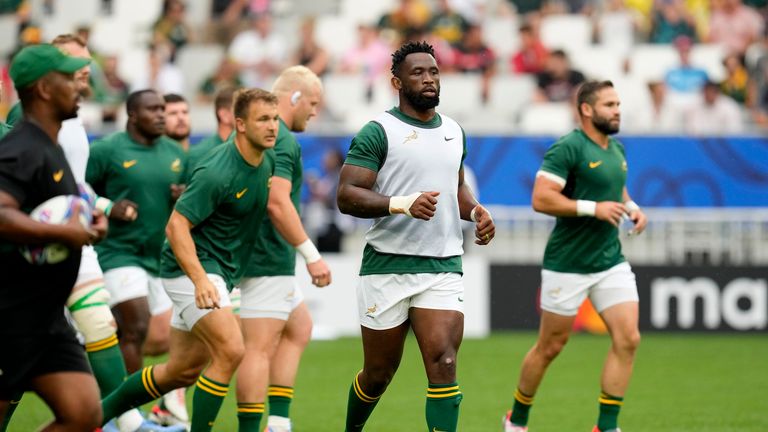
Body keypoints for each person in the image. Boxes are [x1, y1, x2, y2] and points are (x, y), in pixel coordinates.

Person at [337, 41, 495, 432]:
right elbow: (347, 195)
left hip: (442, 265)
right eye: (418, 73)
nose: (428, 79)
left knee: (443, 362)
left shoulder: (455, 132)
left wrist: (475, 211)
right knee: (378, 374)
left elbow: (455, 188)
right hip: (387, 265)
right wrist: (399, 204)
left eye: (434, 72)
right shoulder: (379, 132)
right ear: (396, 81)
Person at [99, 87, 279, 432]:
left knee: (181, 370)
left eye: (274, 119)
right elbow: (176, 226)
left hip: (218, 272)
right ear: (239, 124)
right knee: (231, 350)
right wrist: (199, 280)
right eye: (263, 119)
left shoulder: (265, 160)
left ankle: (93, 418)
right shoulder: (218, 171)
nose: (272, 127)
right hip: (191, 269)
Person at [502, 80, 647, 432]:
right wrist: (591, 208)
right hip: (567, 264)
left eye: (618, 104)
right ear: (587, 109)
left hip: (610, 260)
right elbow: (541, 198)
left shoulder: (617, 150)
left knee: (628, 338)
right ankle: (516, 420)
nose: (617, 110)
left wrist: (631, 206)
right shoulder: (567, 148)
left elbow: (616, 186)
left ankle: (606, 427)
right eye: (610, 104)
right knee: (551, 346)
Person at [0, 43, 106, 431]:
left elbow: (53, 206)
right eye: (70, 78)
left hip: (46, 315)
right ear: (44, 88)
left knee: (84, 414)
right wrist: (65, 231)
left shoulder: (51, 146)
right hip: (14, 314)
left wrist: (89, 216)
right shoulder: (22, 148)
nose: (82, 86)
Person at [235, 65, 331, 432]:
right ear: (294, 98)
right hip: (266, 256)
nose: (314, 111)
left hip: (259, 251)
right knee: (257, 347)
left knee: (299, 327)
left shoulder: (264, 136)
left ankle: (277, 423)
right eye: (312, 103)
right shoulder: (285, 140)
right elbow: (277, 201)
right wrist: (311, 254)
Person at [86, 90, 188, 424]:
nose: (161, 115)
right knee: (136, 325)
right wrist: (107, 207)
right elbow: (76, 189)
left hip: (158, 257)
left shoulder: (175, 153)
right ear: (132, 115)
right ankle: (126, 416)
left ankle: (100, 383)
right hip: (117, 252)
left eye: (163, 109)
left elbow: (186, 200)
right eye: (153, 109)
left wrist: (182, 196)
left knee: (159, 338)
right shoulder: (106, 150)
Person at [186, 86, 236, 181]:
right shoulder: (200, 154)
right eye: (241, 109)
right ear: (224, 115)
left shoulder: (253, 152)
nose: (249, 113)